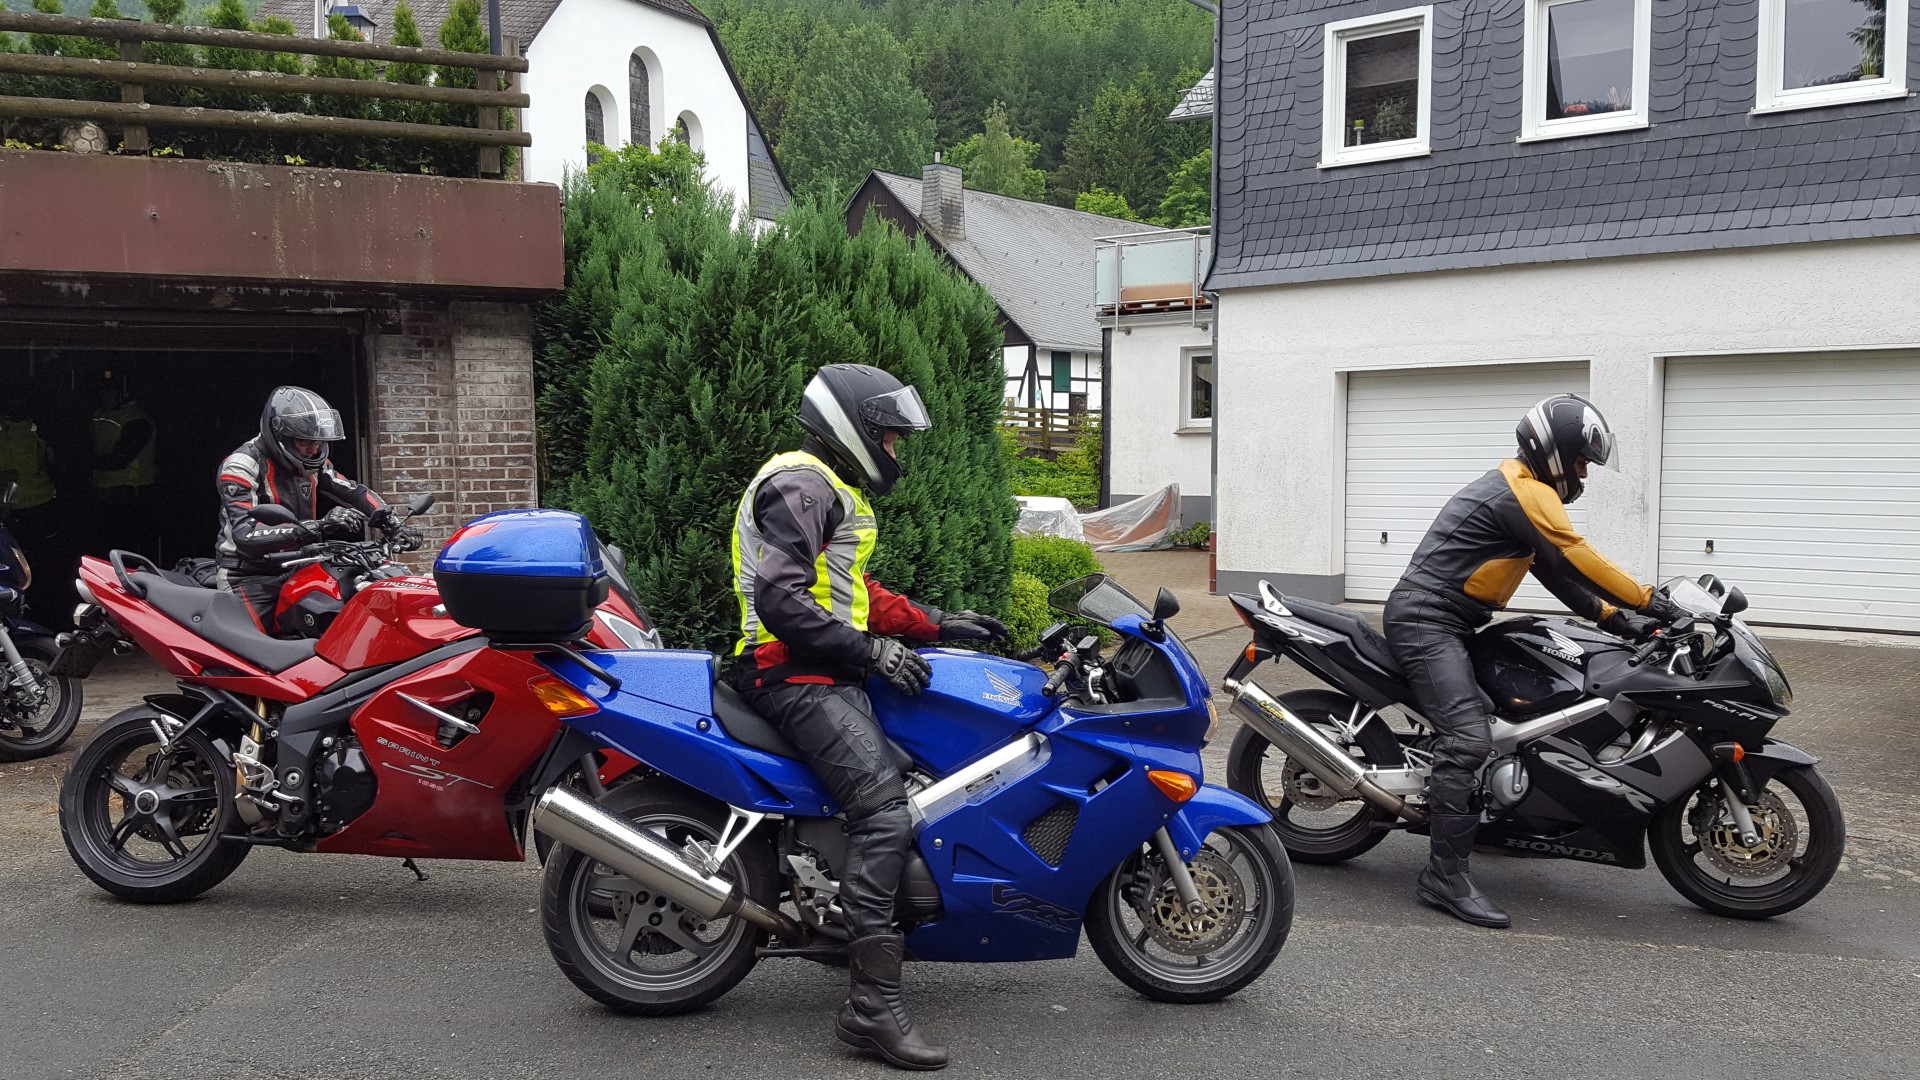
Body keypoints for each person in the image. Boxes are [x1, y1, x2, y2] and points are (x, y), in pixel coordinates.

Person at [729, 363, 1006, 1071]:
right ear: (852, 427)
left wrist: (934, 622)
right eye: (888, 436)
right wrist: (874, 653)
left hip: (818, 669)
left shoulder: (822, 487)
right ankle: (871, 1009)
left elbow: (849, 590)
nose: (894, 450)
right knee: (884, 815)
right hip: (794, 675)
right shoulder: (803, 485)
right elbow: (783, 601)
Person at [1385, 394, 1675, 929]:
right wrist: (1650, 600)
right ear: (1556, 451)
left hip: (1452, 622)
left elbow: (1556, 574)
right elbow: (1576, 556)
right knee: (1468, 737)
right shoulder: (1520, 490)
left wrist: (1619, 621)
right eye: (1581, 460)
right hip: (1426, 622)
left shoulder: (1521, 491)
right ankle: (1444, 877)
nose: (1583, 473)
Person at [216, 387, 392, 633]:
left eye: (317, 442)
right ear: (278, 435)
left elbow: (352, 491)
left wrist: (389, 519)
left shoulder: (313, 462)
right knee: (247, 647)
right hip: (249, 574)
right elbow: (245, 534)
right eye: (304, 442)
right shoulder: (241, 465)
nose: (313, 450)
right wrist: (318, 527)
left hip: (301, 563)